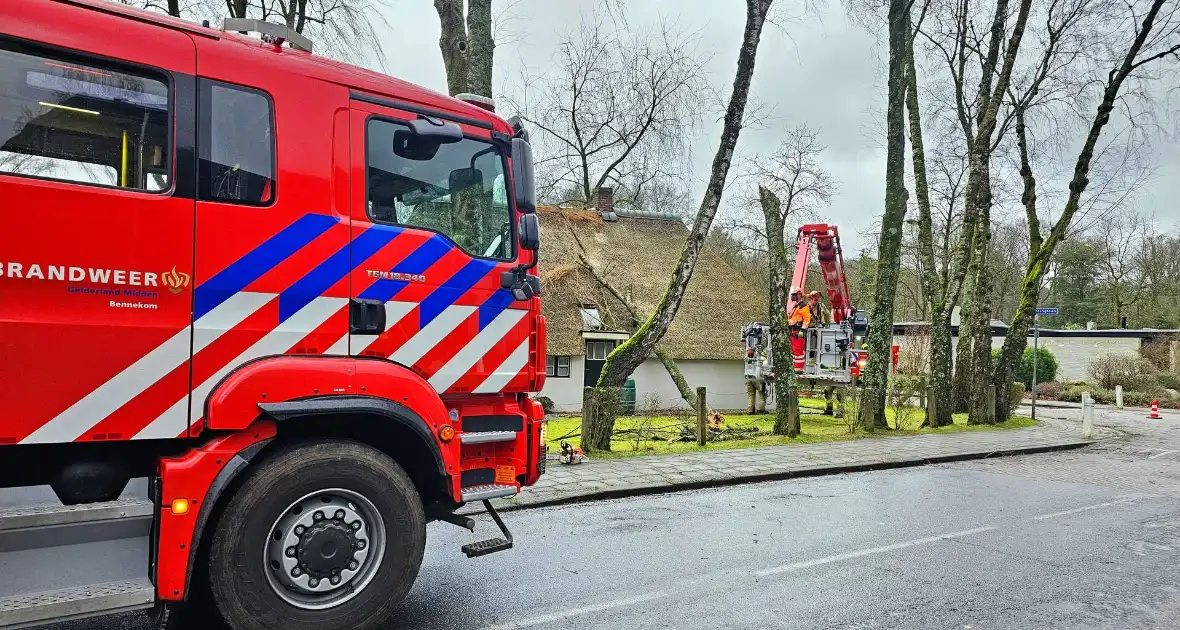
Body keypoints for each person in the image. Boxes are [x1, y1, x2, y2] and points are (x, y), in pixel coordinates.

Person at [786, 286, 810, 371]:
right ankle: (794, 367)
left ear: (799, 295)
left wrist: (803, 329)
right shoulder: (796, 306)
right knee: (794, 350)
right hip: (793, 332)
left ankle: (798, 369)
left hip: (798, 332)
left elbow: (807, 319)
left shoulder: (803, 306)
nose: (793, 297)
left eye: (794, 295)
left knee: (798, 351)